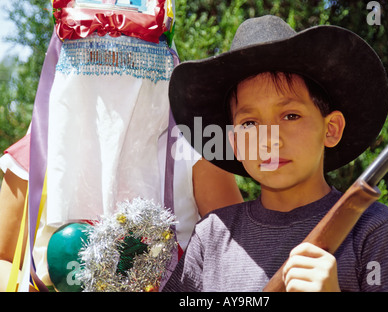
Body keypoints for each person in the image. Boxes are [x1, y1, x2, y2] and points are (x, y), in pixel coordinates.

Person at [162, 15, 388, 292]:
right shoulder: (212, 236)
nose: (270, 139)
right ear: (235, 144)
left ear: (331, 128)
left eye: (290, 115)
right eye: (249, 123)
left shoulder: (370, 227)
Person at [0, 0, 242, 292]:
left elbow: (235, 254)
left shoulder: (194, 151)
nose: (112, 70)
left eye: (132, 59)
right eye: (93, 58)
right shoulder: (34, 156)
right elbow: (4, 257)